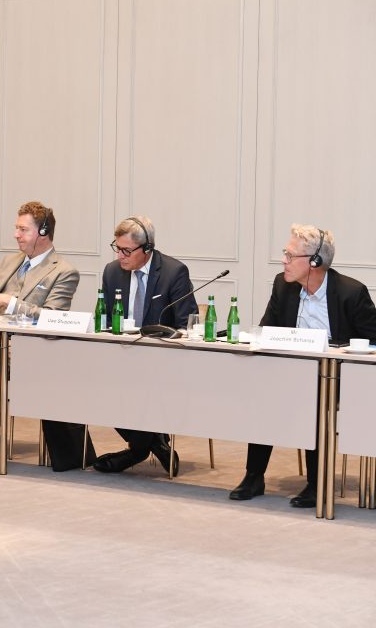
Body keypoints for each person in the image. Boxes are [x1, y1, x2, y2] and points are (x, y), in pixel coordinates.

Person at [230, 225, 376, 508]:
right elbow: (266, 329)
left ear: (315, 261)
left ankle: (316, 482)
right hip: (288, 374)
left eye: (290, 255)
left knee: (316, 402)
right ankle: (254, 477)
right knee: (263, 395)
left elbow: (373, 340)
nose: (283, 260)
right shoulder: (282, 285)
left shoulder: (350, 293)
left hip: (336, 379)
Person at [0, 201, 93, 470]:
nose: (16, 235)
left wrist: (7, 302)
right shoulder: (9, 262)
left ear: (43, 232)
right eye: (16, 228)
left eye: (23, 230)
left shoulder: (64, 271)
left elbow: (51, 316)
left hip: (30, 349)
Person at [91, 216, 196, 477]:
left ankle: (137, 451)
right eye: (117, 248)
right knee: (93, 383)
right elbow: (104, 319)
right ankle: (153, 442)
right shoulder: (112, 271)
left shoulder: (174, 272)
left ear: (147, 248)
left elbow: (187, 324)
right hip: (121, 356)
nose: (120, 256)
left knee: (134, 384)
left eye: (126, 251)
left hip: (161, 361)